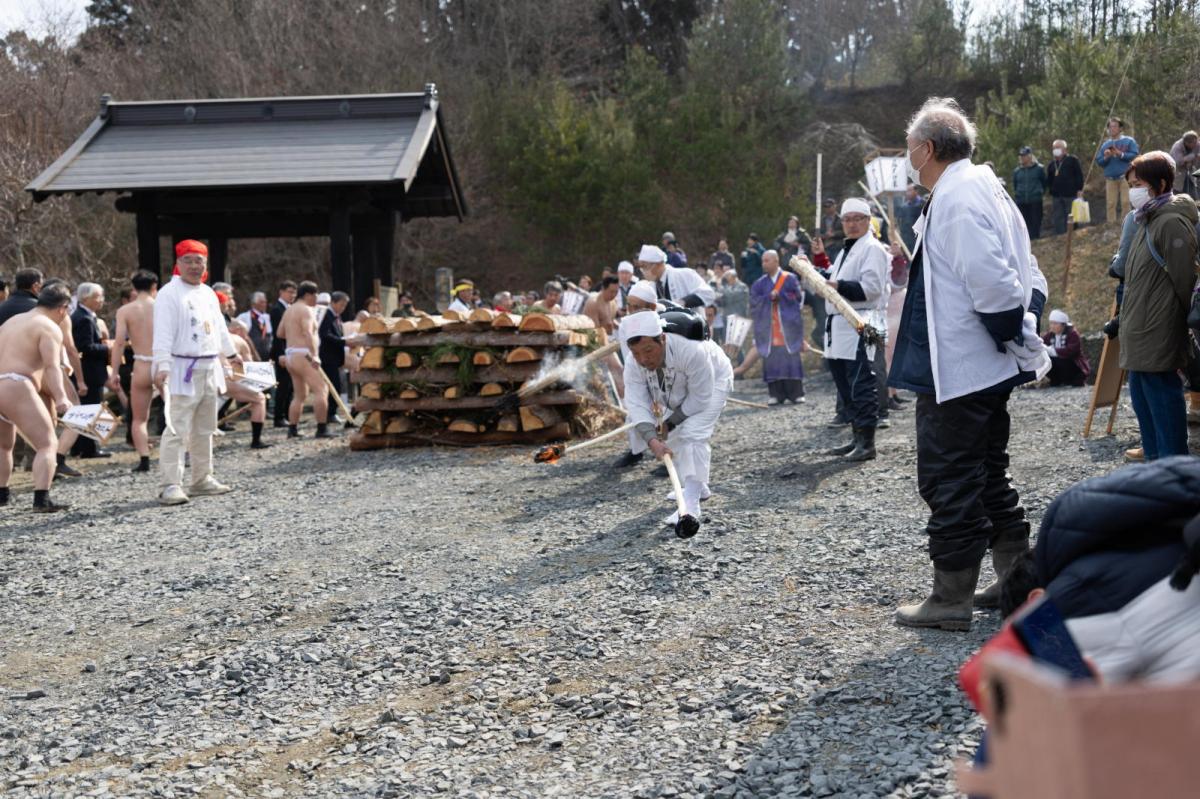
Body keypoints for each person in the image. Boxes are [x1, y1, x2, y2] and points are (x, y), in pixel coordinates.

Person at [890, 98, 1050, 631]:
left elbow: (996, 283)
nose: (909, 155)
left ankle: (950, 598)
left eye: (910, 147)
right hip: (978, 364)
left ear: (927, 148)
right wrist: (1015, 336)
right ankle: (1015, 584)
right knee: (985, 472)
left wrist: (1012, 333)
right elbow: (1026, 271)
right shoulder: (983, 185)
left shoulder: (958, 197)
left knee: (949, 476)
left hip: (961, 367)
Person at [997, 456, 1200, 683]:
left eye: (1029, 640)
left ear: (1036, 602)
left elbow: (1085, 701)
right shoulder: (1142, 539)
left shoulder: (1074, 600)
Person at [1119, 151, 1199, 462]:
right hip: (1140, 326)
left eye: (1138, 184)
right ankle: (1155, 465)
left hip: (1159, 327)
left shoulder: (1170, 222)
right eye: (1130, 184)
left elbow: (1183, 280)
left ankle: (1173, 467)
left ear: (1161, 183)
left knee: (1163, 397)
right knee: (1143, 396)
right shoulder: (1146, 219)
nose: (1133, 190)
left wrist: (1175, 322)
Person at [621, 310, 732, 530]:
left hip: (714, 382)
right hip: (679, 391)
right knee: (670, 436)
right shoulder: (634, 363)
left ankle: (690, 504)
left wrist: (670, 423)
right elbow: (636, 404)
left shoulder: (692, 350)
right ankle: (699, 487)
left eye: (649, 350)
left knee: (692, 433)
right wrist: (652, 439)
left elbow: (700, 399)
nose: (643, 359)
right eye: (636, 353)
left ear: (662, 339)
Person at [152, 240, 243, 506]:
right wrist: (162, 365)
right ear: (178, 263)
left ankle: (202, 478)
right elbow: (163, 332)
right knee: (177, 426)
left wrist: (232, 355)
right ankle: (170, 483)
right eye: (189, 260)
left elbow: (219, 328)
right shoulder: (169, 293)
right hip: (182, 367)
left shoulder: (208, 293)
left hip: (209, 364)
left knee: (205, 427)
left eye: (199, 260)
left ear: (205, 264)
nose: (194, 265)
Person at [822, 198, 888, 460]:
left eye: (857, 219)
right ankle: (856, 436)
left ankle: (867, 442)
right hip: (839, 325)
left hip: (863, 321)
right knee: (845, 385)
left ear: (867, 220)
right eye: (847, 219)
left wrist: (838, 286)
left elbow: (871, 289)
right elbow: (832, 279)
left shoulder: (873, 248)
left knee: (862, 382)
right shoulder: (845, 250)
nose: (851, 224)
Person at [0, 283, 74, 512]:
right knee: (47, 443)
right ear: (62, 308)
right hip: (17, 384)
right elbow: (52, 367)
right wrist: (62, 398)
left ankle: (2, 494)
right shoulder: (49, 327)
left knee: (3, 446)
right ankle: (41, 499)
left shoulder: (11, 322)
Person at [107, 271, 158, 472]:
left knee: (138, 418)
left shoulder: (126, 310)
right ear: (154, 286)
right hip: (163, 363)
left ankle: (144, 458)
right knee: (176, 412)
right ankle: (182, 453)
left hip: (141, 364)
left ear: (134, 288)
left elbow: (119, 343)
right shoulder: (162, 307)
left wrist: (114, 372)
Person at [277, 281, 336, 439]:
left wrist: (294, 335)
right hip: (304, 354)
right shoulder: (306, 310)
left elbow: (280, 333)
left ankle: (292, 429)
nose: (316, 298)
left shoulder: (289, 311)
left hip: (291, 354)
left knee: (300, 395)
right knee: (321, 389)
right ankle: (322, 428)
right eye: (315, 294)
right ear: (309, 294)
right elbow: (309, 332)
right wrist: (315, 354)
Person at [750, 250, 806, 405]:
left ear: (776, 261)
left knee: (791, 358)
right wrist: (768, 298)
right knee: (772, 359)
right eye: (763, 261)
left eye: (767, 260)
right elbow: (754, 302)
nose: (764, 264)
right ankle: (776, 394)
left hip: (787, 325)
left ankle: (796, 393)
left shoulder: (790, 278)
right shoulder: (760, 283)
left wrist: (781, 297)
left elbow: (798, 298)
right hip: (769, 328)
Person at [69, 283, 110, 459]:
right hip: (89, 372)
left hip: (89, 371)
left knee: (84, 409)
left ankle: (79, 447)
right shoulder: (83, 318)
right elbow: (85, 347)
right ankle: (89, 449)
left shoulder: (85, 315)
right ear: (86, 298)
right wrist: (108, 347)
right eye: (98, 296)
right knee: (91, 409)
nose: (101, 300)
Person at [221, 320, 271, 449]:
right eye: (245, 333)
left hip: (206, 374)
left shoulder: (213, 337)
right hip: (225, 375)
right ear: (238, 330)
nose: (246, 336)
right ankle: (256, 440)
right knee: (259, 399)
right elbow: (248, 369)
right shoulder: (238, 340)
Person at [638, 244, 714, 309]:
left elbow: (708, 293)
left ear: (659, 264)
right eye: (641, 267)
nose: (643, 271)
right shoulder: (650, 286)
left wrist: (684, 302)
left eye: (645, 266)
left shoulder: (684, 274)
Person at [1095, 116, 1139, 222]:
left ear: (1120, 128)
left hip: (1126, 176)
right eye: (1110, 127)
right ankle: (1111, 224)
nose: (1112, 129)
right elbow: (1099, 161)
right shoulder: (1105, 144)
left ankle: (1126, 223)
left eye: (1114, 126)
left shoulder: (1129, 141)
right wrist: (1106, 157)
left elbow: (1135, 155)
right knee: (1110, 203)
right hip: (1110, 178)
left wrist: (1121, 154)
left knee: (1125, 202)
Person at [269, 280, 297, 428]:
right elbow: (278, 334)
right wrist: (280, 354)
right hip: (282, 351)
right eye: (289, 292)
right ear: (281, 292)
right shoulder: (277, 309)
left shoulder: (290, 308)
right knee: (283, 385)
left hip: (291, 350)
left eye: (294, 292)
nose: (292, 295)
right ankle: (279, 417)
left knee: (290, 386)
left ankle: (287, 415)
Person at [885, 242, 910, 410]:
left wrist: (899, 258)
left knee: (893, 355)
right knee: (884, 356)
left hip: (894, 308)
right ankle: (885, 397)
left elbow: (899, 281)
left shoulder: (882, 249)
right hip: (881, 310)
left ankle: (893, 393)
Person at [1039, 309, 1090, 387]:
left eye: (1055, 324)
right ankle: (1056, 380)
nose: (1052, 326)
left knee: (1062, 361)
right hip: (1058, 366)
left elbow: (1071, 351)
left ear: (1063, 325)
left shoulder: (1072, 334)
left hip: (1072, 365)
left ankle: (1070, 380)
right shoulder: (1049, 335)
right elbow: (1041, 344)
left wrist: (1052, 351)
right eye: (1051, 323)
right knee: (1045, 360)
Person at [319, 291, 349, 422]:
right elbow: (325, 335)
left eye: (345, 305)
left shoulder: (336, 316)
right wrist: (343, 341)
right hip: (327, 356)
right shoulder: (327, 314)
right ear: (333, 302)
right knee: (332, 385)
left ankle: (331, 412)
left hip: (335, 356)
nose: (343, 308)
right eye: (341, 305)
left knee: (336, 384)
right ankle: (330, 413)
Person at [1046, 139, 1085, 235]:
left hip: (1071, 194)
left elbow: (1079, 175)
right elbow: (1049, 179)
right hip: (1057, 195)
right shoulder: (1052, 164)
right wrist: (1051, 191)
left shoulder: (1072, 160)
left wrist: (1080, 189)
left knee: (1071, 215)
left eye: (1058, 147)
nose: (1056, 150)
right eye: (1054, 148)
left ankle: (1072, 234)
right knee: (1058, 217)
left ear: (1065, 149)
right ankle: (1060, 235)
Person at [1012, 146, 1048, 239]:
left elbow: (1044, 183)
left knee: (1035, 222)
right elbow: (1015, 185)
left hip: (1035, 200)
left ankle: (1035, 239)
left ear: (1030, 156)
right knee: (1023, 223)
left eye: (1024, 155)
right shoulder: (1017, 171)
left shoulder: (1039, 169)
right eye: (1021, 156)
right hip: (1021, 201)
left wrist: (1039, 193)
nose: (1022, 158)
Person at [236, 291, 273, 361]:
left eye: (265, 302)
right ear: (253, 304)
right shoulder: (244, 317)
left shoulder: (267, 317)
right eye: (261, 302)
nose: (264, 304)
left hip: (268, 356)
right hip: (252, 356)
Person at [1169, 130, 1200, 199]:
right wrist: (1193, 156)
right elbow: (1178, 161)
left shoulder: (1197, 145)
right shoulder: (1177, 147)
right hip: (1178, 174)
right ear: (1187, 143)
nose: (1196, 144)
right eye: (1194, 143)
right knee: (1178, 194)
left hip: (1191, 172)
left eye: (1196, 141)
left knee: (1193, 194)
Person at [895, 185, 925, 253]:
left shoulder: (924, 205)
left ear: (916, 191)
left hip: (920, 240)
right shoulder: (904, 207)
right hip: (906, 240)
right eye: (906, 191)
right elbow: (900, 223)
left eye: (909, 190)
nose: (907, 193)